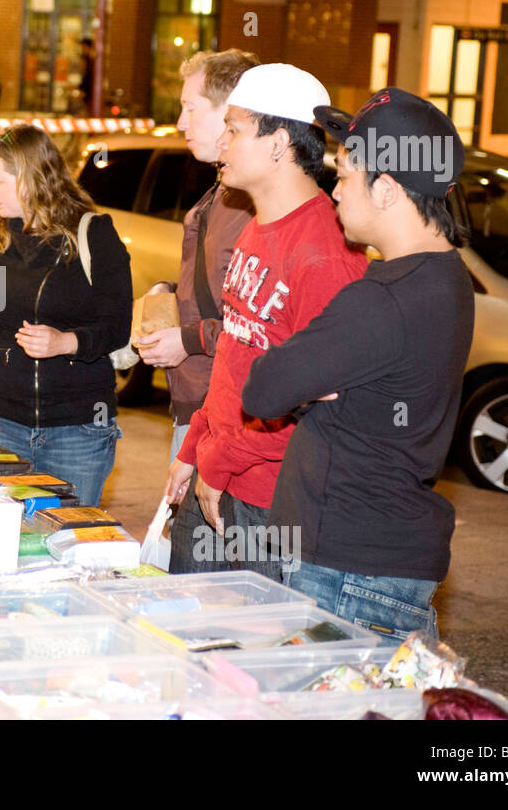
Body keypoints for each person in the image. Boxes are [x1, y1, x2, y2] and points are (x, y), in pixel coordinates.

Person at [242, 88, 474, 643]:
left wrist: (307, 381)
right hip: (387, 560)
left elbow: (264, 388)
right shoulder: (447, 278)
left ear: (388, 190)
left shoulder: (382, 300)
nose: (335, 190)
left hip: (347, 569)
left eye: (345, 175)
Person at [163, 63, 367, 579]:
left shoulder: (327, 253)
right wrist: (194, 447)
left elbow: (311, 405)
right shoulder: (257, 226)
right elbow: (236, 357)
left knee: (246, 653)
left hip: (269, 502)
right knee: (187, 643)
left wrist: (220, 461)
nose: (222, 144)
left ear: (278, 144)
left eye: (234, 130)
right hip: (215, 471)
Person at [0, 123, 132, 508]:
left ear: (31, 179)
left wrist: (67, 342)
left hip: (78, 428)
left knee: (68, 546)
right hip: (0, 421)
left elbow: (116, 325)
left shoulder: (92, 235)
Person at [136, 49, 258, 466]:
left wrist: (184, 340)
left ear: (230, 111)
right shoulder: (222, 193)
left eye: (190, 108)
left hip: (223, 415)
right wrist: (167, 292)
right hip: (199, 406)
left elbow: (258, 329)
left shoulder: (253, 204)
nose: (180, 122)